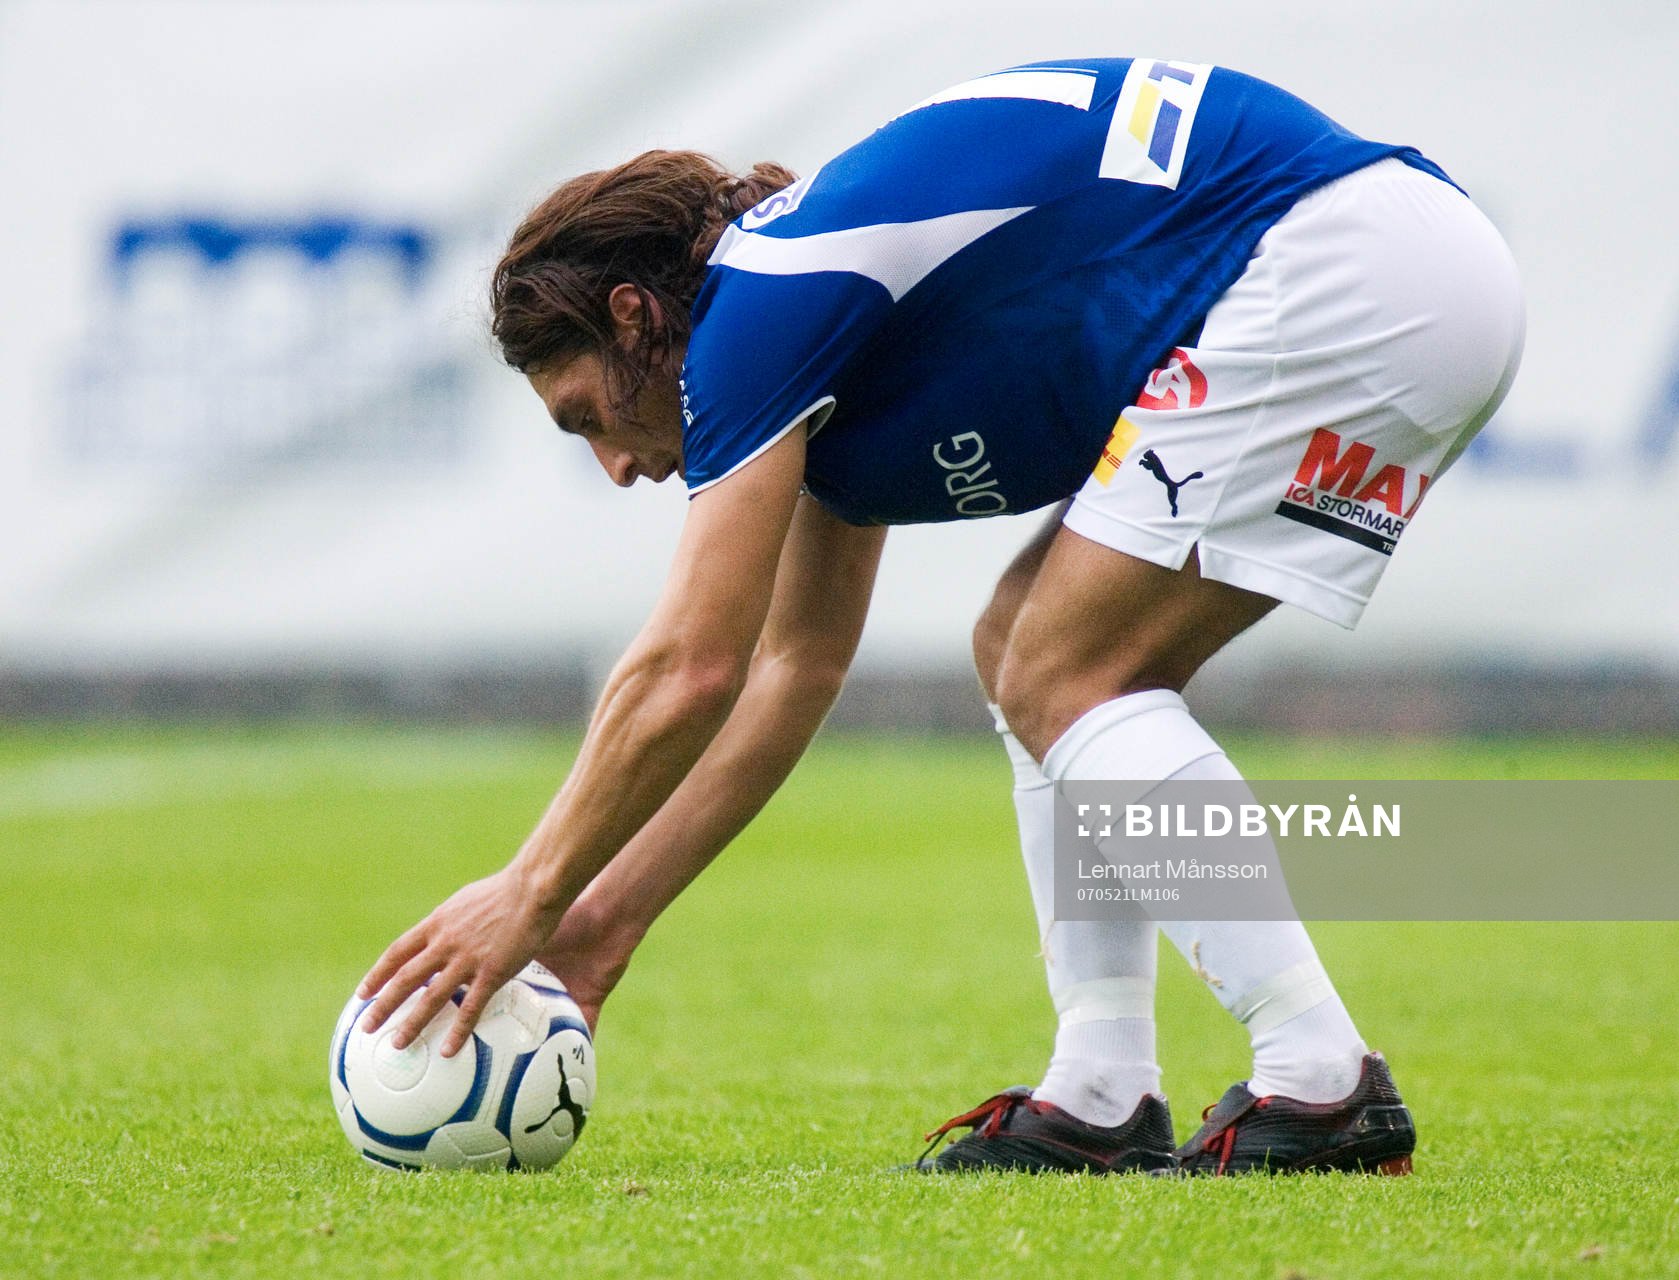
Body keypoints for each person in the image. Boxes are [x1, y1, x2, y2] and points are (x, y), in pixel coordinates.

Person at [356, 56, 1523, 1176]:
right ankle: (1103, 1088)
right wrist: (605, 921)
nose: (613, 465)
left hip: (1347, 265)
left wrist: (530, 886)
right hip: (1402, 262)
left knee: (1072, 674)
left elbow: (688, 667)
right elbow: (792, 668)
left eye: (586, 417)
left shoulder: (759, 307)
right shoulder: (797, 317)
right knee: (1024, 651)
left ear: (632, 315)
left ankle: (1319, 1075)